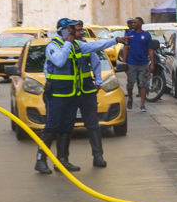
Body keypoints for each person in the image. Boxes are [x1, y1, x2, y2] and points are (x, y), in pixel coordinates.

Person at [36, 17, 117, 174]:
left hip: (71, 93)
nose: (74, 32)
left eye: (75, 29)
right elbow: (59, 61)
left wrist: (116, 40)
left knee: (66, 127)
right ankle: (40, 160)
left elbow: (96, 45)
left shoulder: (77, 45)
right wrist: (67, 42)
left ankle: (62, 161)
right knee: (52, 127)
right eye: (71, 29)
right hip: (57, 94)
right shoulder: (53, 46)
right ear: (63, 31)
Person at [119, 18, 155, 113]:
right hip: (131, 64)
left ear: (140, 23)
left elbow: (150, 50)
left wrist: (152, 63)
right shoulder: (129, 35)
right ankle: (130, 98)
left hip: (143, 64)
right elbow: (126, 49)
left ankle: (142, 104)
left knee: (144, 84)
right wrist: (124, 62)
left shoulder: (146, 35)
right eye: (132, 23)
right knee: (130, 84)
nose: (133, 24)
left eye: (135, 22)